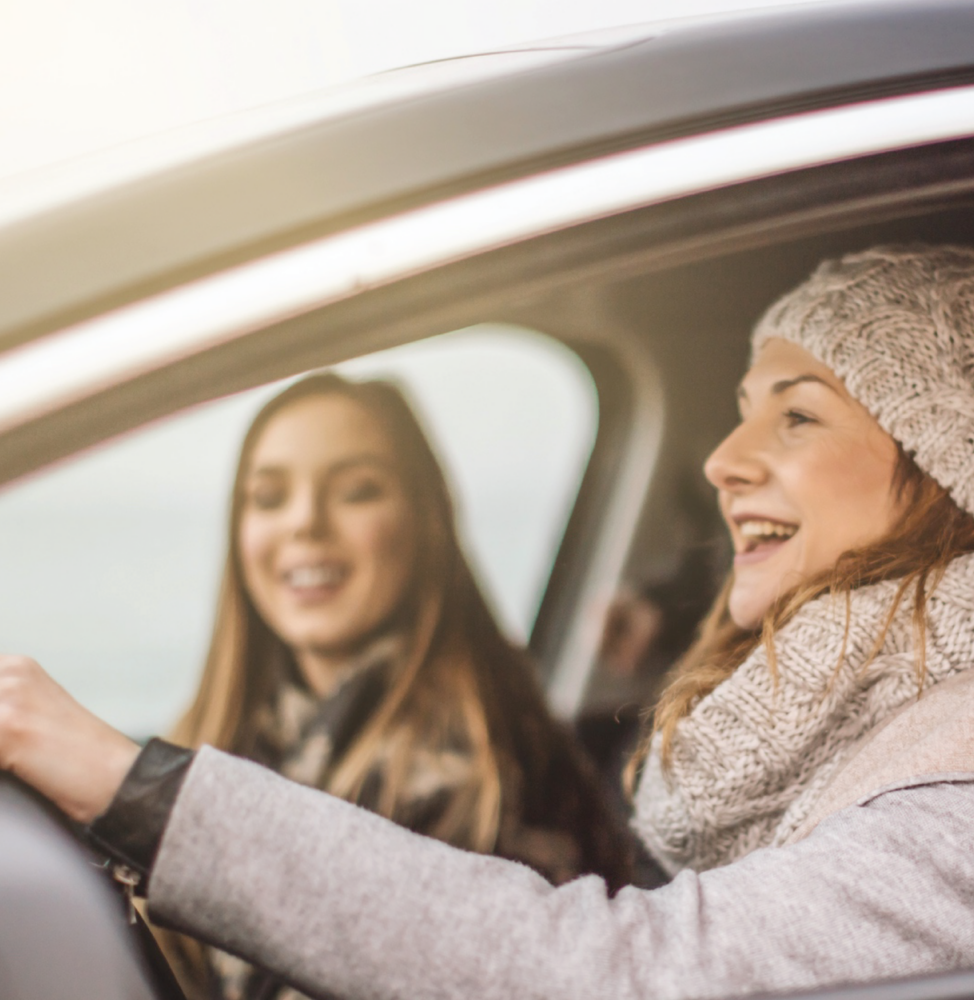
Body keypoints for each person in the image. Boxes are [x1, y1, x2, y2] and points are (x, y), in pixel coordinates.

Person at [0, 204, 974, 1000]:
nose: (726, 464)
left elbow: (616, 979)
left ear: (952, 471)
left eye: (796, 417)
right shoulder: (903, 713)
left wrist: (131, 784)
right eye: (738, 417)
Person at [149, 374, 631, 998]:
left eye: (356, 491)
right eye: (268, 498)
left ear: (427, 520)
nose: (304, 523)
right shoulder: (214, 745)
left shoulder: (486, 781)